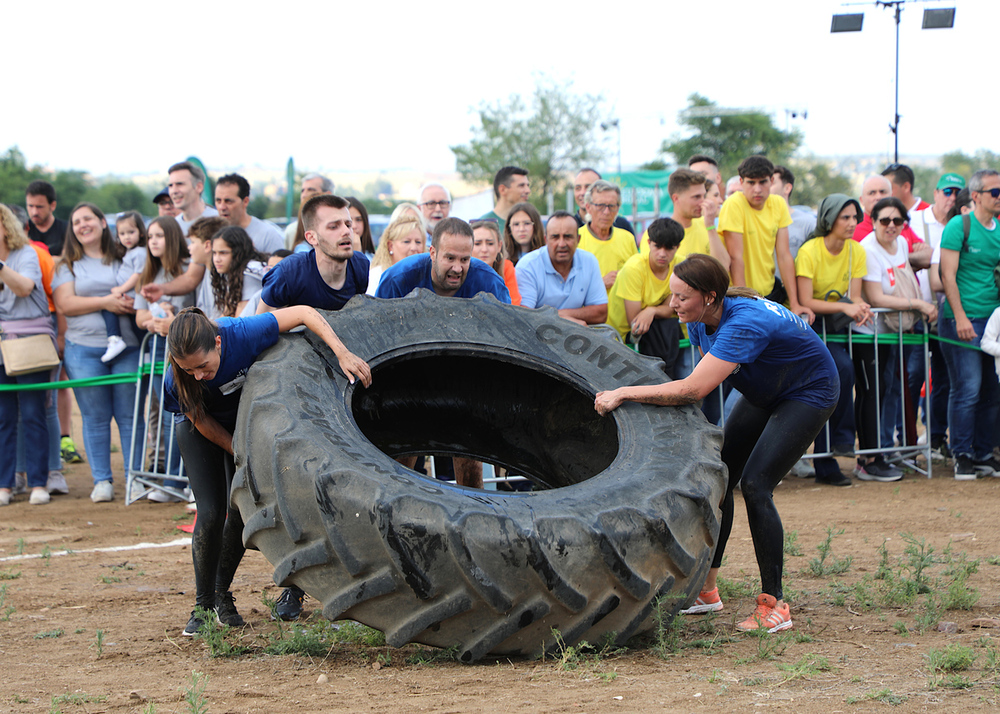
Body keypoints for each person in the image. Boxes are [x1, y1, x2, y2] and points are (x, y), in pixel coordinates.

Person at [594, 254, 839, 634]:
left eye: (681, 297)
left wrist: (624, 392)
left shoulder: (743, 322)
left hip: (809, 391)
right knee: (720, 478)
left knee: (757, 486)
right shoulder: (698, 320)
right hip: (767, 387)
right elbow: (703, 378)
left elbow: (693, 389)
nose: (672, 304)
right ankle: (707, 590)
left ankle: (775, 604)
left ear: (709, 297)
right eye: (671, 295)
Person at [163, 306, 371, 635]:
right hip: (200, 430)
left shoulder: (243, 333)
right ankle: (202, 607)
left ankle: (221, 595)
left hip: (246, 423)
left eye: (203, 366)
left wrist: (342, 352)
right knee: (212, 512)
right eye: (189, 371)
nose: (198, 376)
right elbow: (199, 420)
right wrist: (237, 448)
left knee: (241, 511)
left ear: (218, 343)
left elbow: (304, 313)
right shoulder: (177, 377)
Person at [376, 218, 511, 489]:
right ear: (432, 252)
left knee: (470, 460)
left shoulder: (489, 284)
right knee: (401, 455)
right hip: (408, 377)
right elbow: (377, 339)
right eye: (449, 258)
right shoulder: (398, 280)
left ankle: (475, 513)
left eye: (465, 259)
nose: (457, 268)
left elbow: (508, 344)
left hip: (466, 379)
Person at [52, 203, 142, 503]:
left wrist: (131, 304)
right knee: (95, 416)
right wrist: (106, 302)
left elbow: (142, 287)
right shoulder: (67, 265)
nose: (82, 225)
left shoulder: (124, 256)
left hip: (127, 347)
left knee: (130, 416)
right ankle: (102, 480)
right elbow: (66, 304)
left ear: (103, 222)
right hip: (84, 349)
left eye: (88, 218)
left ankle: (134, 478)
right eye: (76, 222)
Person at [854, 197, 936, 482]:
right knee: (870, 393)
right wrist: (919, 304)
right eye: (884, 220)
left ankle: (881, 454)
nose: (891, 226)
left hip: (892, 332)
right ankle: (867, 459)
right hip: (868, 334)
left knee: (886, 390)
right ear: (873, 221)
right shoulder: (866, 249)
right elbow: (876, 297)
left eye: (897, 221)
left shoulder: (901, 244)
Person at [796, 194, 872, 487]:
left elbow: (855, 297)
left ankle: (837, 449)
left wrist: (858, 306)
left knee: (845, 374)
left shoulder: (856, 251)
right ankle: (827, 455)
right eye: (846, 217)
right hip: (809, 330)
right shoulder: (810, 250)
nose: (852, 223)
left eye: (855, 217)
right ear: (829, 219)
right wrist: (846, 306)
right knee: (838, 373)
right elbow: (804, 301)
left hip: (837, 330)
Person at [938, 169, 1000, 480]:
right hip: (960, 318)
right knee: (967, 388)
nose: (999, 197)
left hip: (992, 321)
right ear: (975, 196)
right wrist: (960, 317)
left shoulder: (999, 229)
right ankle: (961, 453)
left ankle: (983, 453)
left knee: (992, 388)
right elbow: (947, 275)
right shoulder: (958, 226)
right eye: (995, 191)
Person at [0, 204, 54, 506]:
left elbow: (23, 288)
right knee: (3, 417)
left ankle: (38, 482)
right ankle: (4, 484)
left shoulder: (28, 254)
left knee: (34, 414)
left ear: (6, 225)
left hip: (29, 341)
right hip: (1, 343)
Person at [720, 155, 812, 323]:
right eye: (751, 182)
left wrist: (795, 304)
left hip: (769, 293)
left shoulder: (778, 204)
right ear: (741, 182)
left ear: (771, 181)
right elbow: (736, 258)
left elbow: (784, 256)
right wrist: (744, 303)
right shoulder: (733, 204)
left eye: (762, 182)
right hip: (737, 297)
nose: (757, 189)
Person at [259, 195, 370, 314]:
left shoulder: (360, 265)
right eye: (333, 227)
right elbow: (260, 327)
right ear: (312, 238)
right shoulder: (288, 274)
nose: (346, 231)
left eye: (348, 225)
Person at [607, 218, 685, 376]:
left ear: (678, 247)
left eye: (669, 248)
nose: (662, 254)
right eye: (657, 246)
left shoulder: (680, 266)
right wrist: (659, 309)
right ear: (648, 243)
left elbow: (672, 308)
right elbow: (635, 322)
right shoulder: (634, 268)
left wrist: (651, 310)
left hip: (650, 338)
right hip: (619, 340)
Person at [515, 211, 607, 324]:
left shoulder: (589, 261)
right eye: (555, 237)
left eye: (568, 237)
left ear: (578, 239)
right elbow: (523, 316)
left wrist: (559, 316)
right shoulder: (527, 266)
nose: (562, 244)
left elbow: (601, 313)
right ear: (546, 240)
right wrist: (564, 322)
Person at [101, 211, 148, 363]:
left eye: (131, 232)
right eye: (122, 233)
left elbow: (138, 274)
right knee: (135, 326)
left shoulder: (140, 253)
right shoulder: (130, 252)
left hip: (130, 294)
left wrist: (121, 289)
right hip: (128, 294)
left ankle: (114, 338)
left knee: (108, 306)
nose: (126, 237)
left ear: (141, 232)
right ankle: (145, 351)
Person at [577, 180, 637, 291]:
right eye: (600, 206)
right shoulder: (576, 239)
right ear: (588, 207)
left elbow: (638, 278)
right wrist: (600, 283)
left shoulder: (627, 238)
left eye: (612, 206)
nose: (606, 212)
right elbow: (566, 287)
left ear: (618, 208)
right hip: (589, 308)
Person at [214, 173, 285, 254]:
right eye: (218, 201)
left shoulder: (268, 236)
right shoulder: (210, 233)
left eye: (228, 201)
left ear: (245, 201)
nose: (222, 207)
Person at [211, 226, 266, 318]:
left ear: (238, 253)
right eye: (214, 253)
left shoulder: (250, 273)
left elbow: (241, 320)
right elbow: (227, 313)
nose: (217, 259)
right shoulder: (236, 273)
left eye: (223, 253)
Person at [366, 213, 425, 296]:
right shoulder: (376, 276)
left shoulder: (428, 277)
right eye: (406, 242)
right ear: (390, 246)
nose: (414, 248)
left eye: (418, 242)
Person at [770, 165, 816, 259]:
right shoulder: (755, 221)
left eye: (772, 183)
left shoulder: (808, 223)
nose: (765, 187)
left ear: (787, 188)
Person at [471, 220, 520, 305]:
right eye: (477, 244)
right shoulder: (459, 270)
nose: (484, 249)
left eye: (490, 243)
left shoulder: (507, 267)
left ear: (499, 246)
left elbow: (514, 304)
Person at [572, 168, 634, 235]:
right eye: (578, 188)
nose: (582, 192)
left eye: (588, 187)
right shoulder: (570, 227)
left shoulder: (622, 226)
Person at [284, 174, 334, 249]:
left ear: (327, 194)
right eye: (302, 190)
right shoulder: (292, 230)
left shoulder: (340, 229)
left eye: (311, 190)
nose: (304, 195)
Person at [168, 161, 218, 235]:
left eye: (180, 184)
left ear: (199, 187)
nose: (174, 191)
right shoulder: (172, 227)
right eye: (170, 185)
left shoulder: (218, 221)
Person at [480, 166, 530, 235]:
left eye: (528, 186)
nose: (528, 191)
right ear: (503, 190)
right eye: (521, 186)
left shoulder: (530, 223)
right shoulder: (483, 225)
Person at [25, 180, 68, 256]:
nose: (34, 212)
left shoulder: (67, 229)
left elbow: (67, 260)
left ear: (52, 205)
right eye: (30, 206)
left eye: (39, 207)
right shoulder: (21, 229)